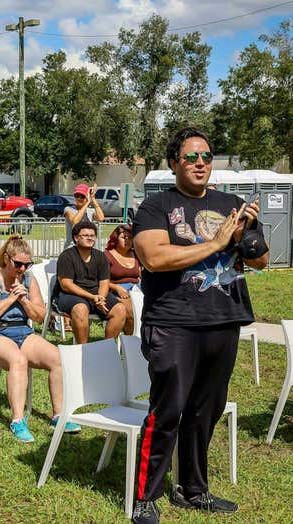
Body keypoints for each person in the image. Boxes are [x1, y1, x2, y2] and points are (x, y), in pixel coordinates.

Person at [130, 128, 268, 524]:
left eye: (206, 156)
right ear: (174, 162)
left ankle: (193, 490)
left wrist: (243, 238)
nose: (200, 163)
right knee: (168, 409)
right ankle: (146, 496)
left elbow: (259, 259)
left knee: (206, 411)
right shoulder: (155, 207)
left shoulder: (231, 205)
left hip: (223, 319)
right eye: (190, 157)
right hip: (173, 324)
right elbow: (154, 258)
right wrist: (215, 242)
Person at [0, 234, 80, 442]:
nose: (22, 269)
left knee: (57, 357)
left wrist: (24, 300)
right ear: (6, 258)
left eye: (27, 264)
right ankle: (17, 420)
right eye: (18, 264)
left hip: (23, 331)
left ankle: (58, 415)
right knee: (18, 360)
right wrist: (11, 298)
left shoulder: (29, 280)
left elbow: (39, 317)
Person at [55, 221, 126, 344]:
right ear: (76, 238)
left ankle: (106, 348)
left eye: (92, 235)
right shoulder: (66, 256)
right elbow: (66, 285)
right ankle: (84, 350)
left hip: (96, 294)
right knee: (80, 309)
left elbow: (104, 282)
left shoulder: (100, 256)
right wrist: (93, 297)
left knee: (120, 309)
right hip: (70, 295)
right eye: (86, 235)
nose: (90, 238)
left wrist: (101, 298)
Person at [104, 224, 141, 336]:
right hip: (115, 289)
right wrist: (116, 288)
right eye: (124, 237)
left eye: (130, 238)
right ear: (115, 239)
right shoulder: (107, 255)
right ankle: (131, 341)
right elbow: (100, 280)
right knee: (130, 311)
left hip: (137, 289)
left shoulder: (136, 254)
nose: (127, 240)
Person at [64, 183, 104, 247]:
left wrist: (93, 198)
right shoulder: (68, 209)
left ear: (86, 196)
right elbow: (75, 221)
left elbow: (101, 218)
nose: (79, 198)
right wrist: (88, 202)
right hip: (72, 247)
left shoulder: (90, 211)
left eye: (82, 196)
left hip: (88, 247)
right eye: (77, 195)